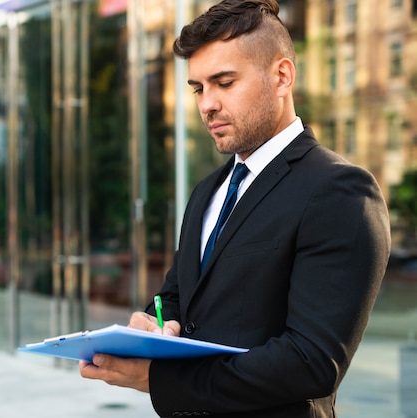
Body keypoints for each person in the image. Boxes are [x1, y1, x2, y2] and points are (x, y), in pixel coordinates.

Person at [79, 0, 391, 416]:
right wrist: (154, 326)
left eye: (224, 83)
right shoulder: (208, 191)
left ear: (282, 77)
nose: (207, 104)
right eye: (198, 88)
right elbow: (176, 298)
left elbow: (311, 361)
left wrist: (160, 380)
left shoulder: (339, 190)